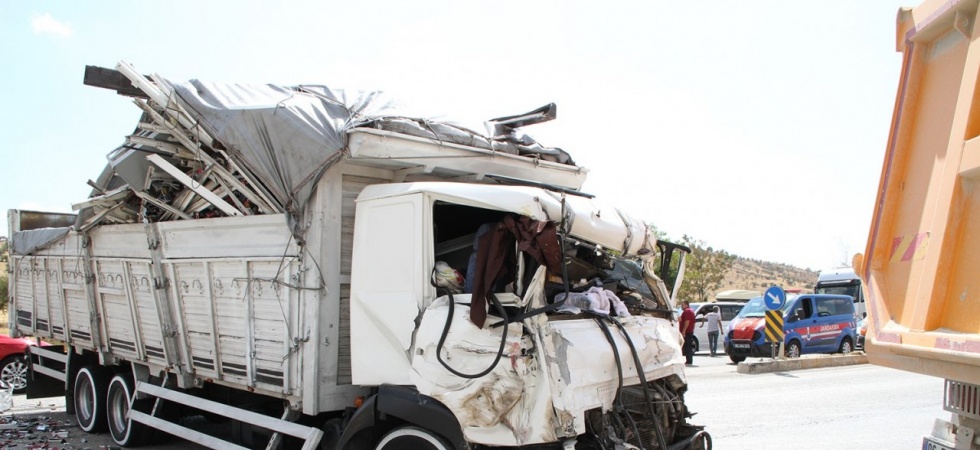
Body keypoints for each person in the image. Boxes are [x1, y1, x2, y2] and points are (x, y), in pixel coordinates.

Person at [679, 301, 696, 365]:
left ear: (686, 305)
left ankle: (689, 360)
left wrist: (684, 331)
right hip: (689, 331)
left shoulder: (687, 311)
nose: (681, 307)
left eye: (682, 305)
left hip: (687, 332)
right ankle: (688, 360)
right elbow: (694, 322)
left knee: (687, 346)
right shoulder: (691, 311)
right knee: (687, 346)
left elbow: (687, 321)